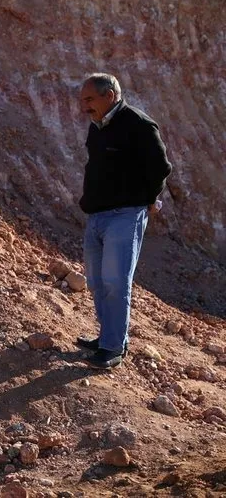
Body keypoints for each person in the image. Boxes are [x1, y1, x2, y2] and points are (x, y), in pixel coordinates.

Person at [76, 73, 172, 369]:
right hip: (97, 215)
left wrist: (146, 200)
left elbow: (160, 167)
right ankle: (109, 337)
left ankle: (113, 348)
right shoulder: (98, 127)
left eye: (90, 100)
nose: (85, 107)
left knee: (117, 282)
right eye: (83, 101)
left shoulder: (139, 124)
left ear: (110, 95)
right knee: (96, 281)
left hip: (125, 214)